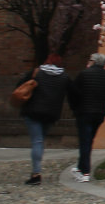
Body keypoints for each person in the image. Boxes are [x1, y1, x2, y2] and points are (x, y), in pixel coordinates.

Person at [18, 54, 71, 186]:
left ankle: (36, 174)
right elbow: (72, 94)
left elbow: (20, 86)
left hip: (33, 111)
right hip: (51, 114)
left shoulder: (37, 72)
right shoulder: (64, 77)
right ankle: (36, 171)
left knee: (37, 141)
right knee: (40, 141)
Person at [67, 52, 105, 182]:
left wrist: (75, 107)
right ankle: (80, 168)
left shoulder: (84, 74)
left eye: (90, 60)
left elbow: (73, 93)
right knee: (88, 140)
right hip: (99, 113)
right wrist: (103, 106)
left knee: (85, 141)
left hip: (84, 112)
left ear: (93, 61)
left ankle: (85, 172)